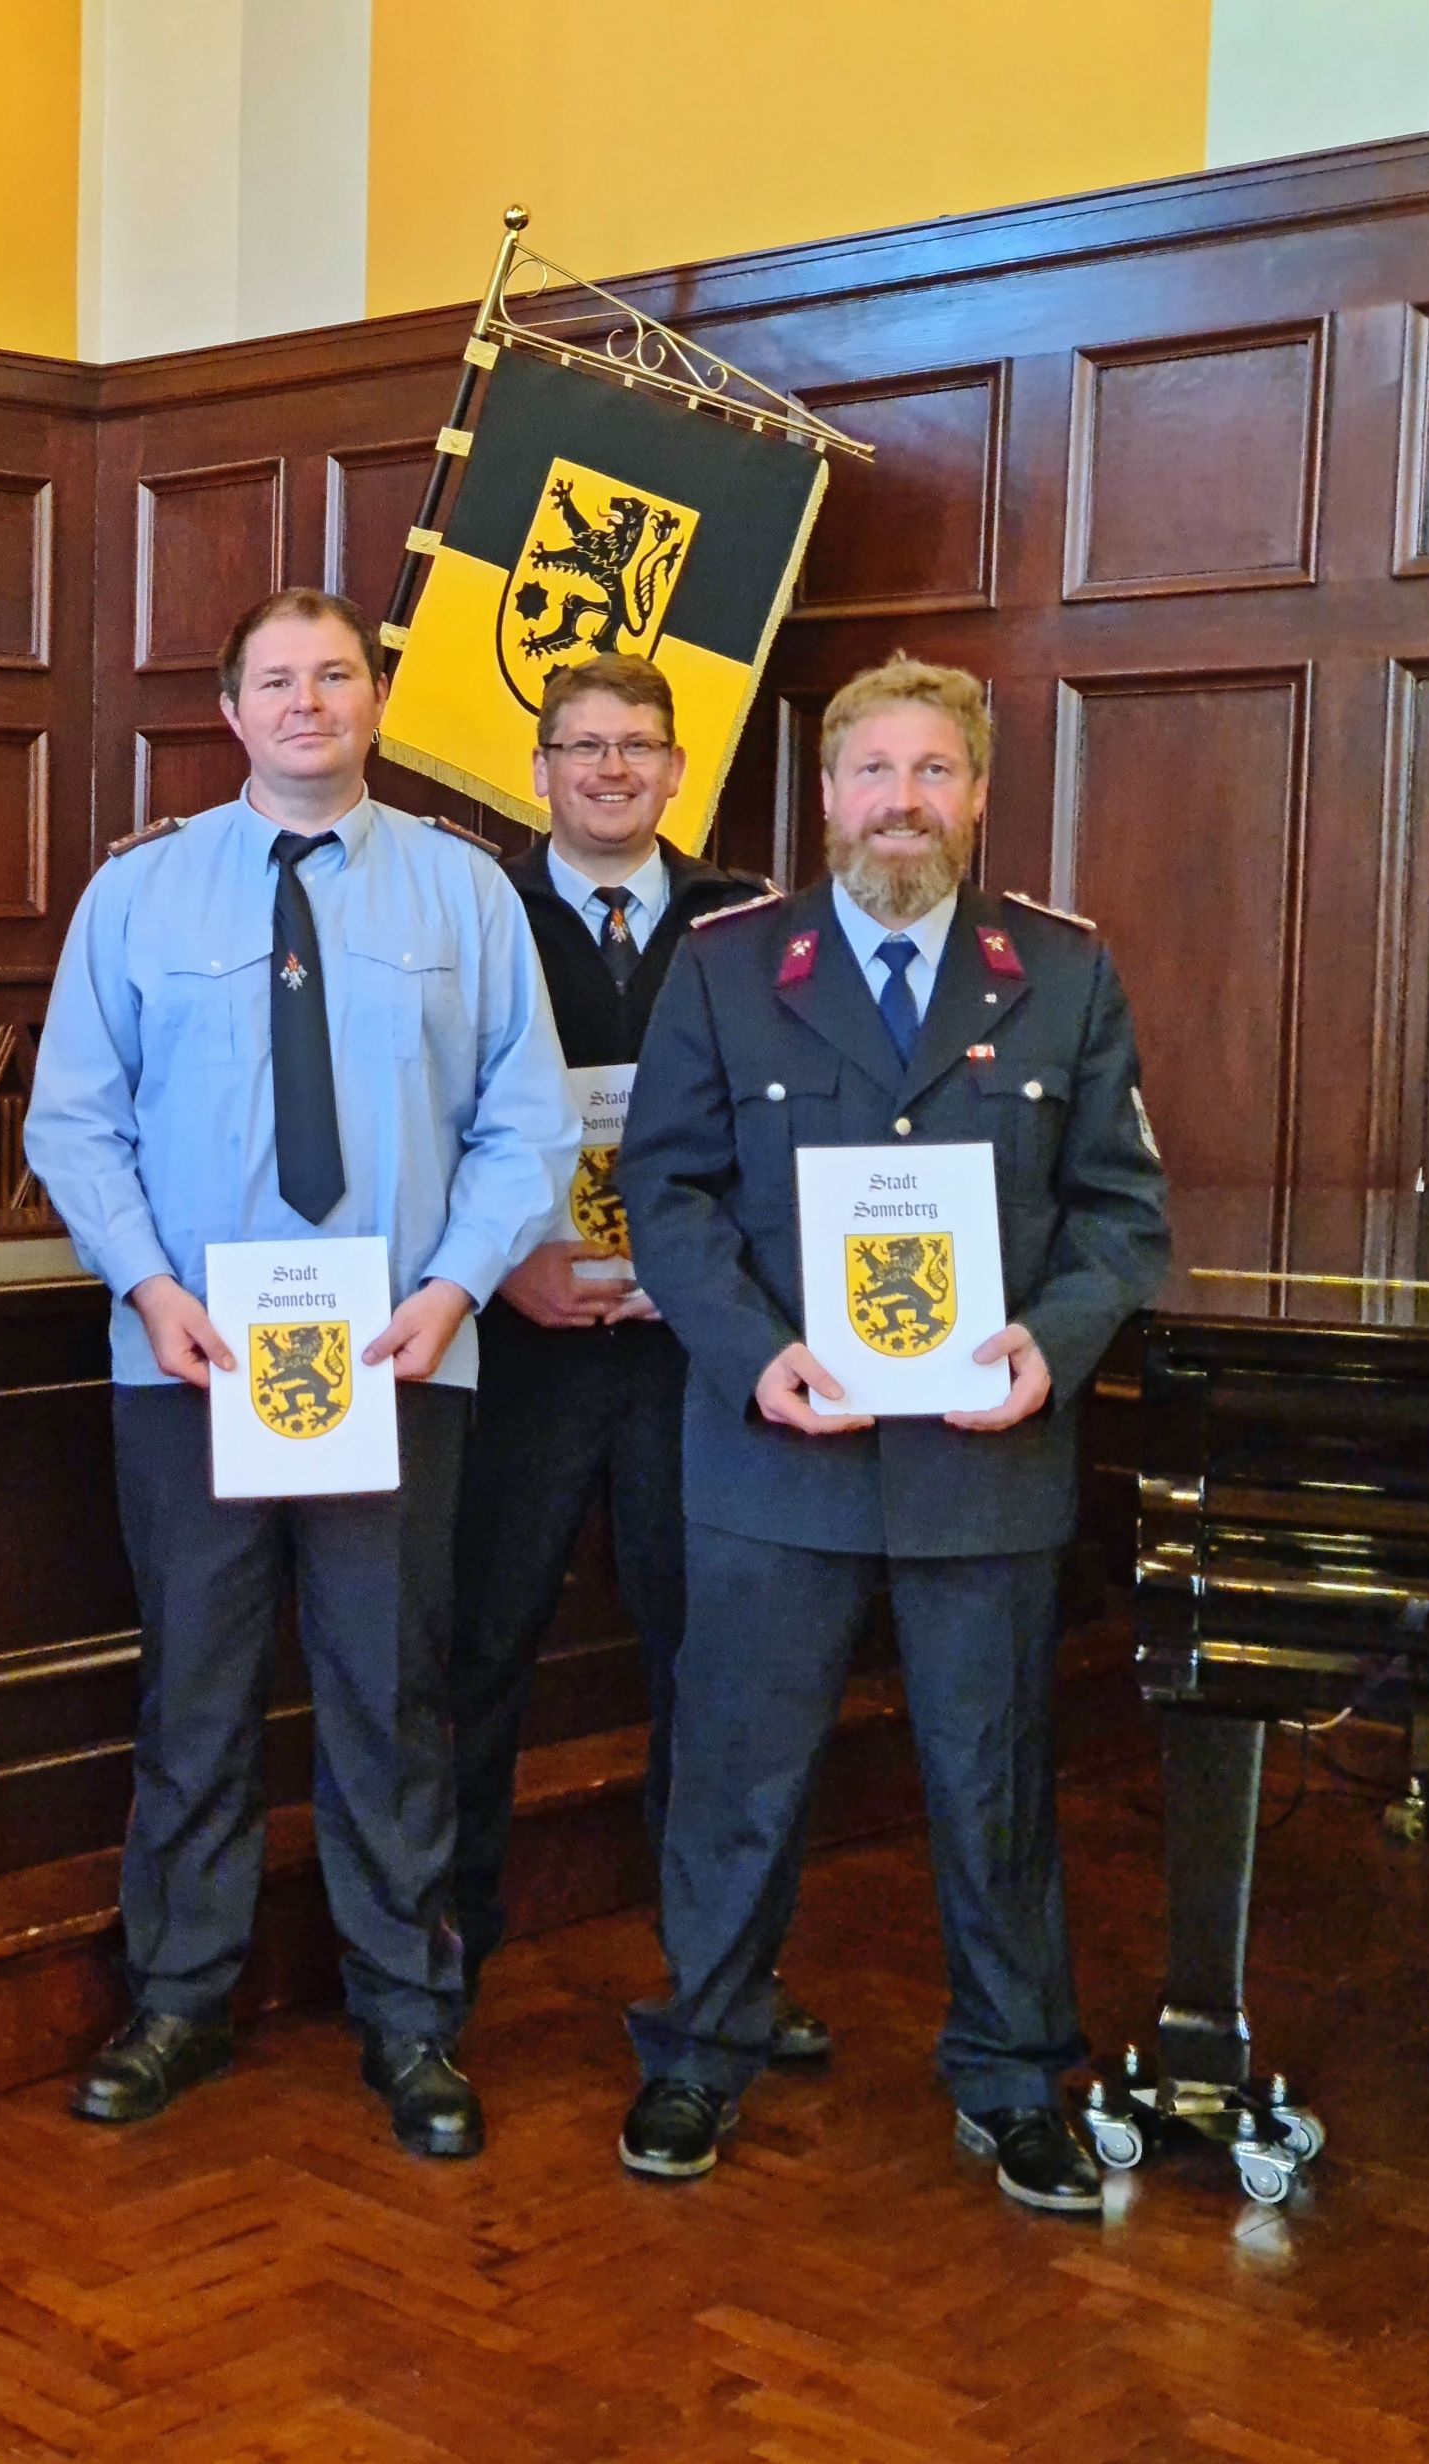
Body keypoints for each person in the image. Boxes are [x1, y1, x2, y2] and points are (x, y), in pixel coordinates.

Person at [26, 587, 577, 2160]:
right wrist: (147, 1286)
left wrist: (456, 1288)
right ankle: (180, 1996)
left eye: (337, 674)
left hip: (399, 1359)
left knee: (390, 1694)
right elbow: (75, 1117)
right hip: (189, 1362)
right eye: (277, 677)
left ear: (377, 700)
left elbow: (525, 1123)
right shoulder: (139, 897)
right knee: (194, 1695)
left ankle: (410, 2015)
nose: (308, 701)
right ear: (231, 709)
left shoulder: (467, 897)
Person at [613, 652, 1169, 2207]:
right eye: (876, 773)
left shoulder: (1059, 970)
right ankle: (698, 2055)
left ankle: (1011, 2075)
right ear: (832, 796)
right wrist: (755, 1353)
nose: (903, 804)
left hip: (983, 1458)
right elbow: (666, 1194)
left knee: (993, 1782)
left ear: (979, 798)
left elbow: (1124, 1218)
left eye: (935, 774)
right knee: (737, 1772)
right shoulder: (729, 966)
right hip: (775, 1443)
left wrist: (1052, 1352)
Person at [439, 653, 826, 2058]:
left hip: (691, 1363)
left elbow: (793, 1135)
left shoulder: (750, 926)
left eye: (639, 747)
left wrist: (708, 1283)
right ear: (537, 765)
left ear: (676, 769)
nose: (611, 769)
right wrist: (497, 1266)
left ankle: (719, 1976)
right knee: (478, 1657)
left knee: (710, 1672)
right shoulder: (472, 907)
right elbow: (418, 1111)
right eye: (583, 746)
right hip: (516, 1348)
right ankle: (442, 1974)